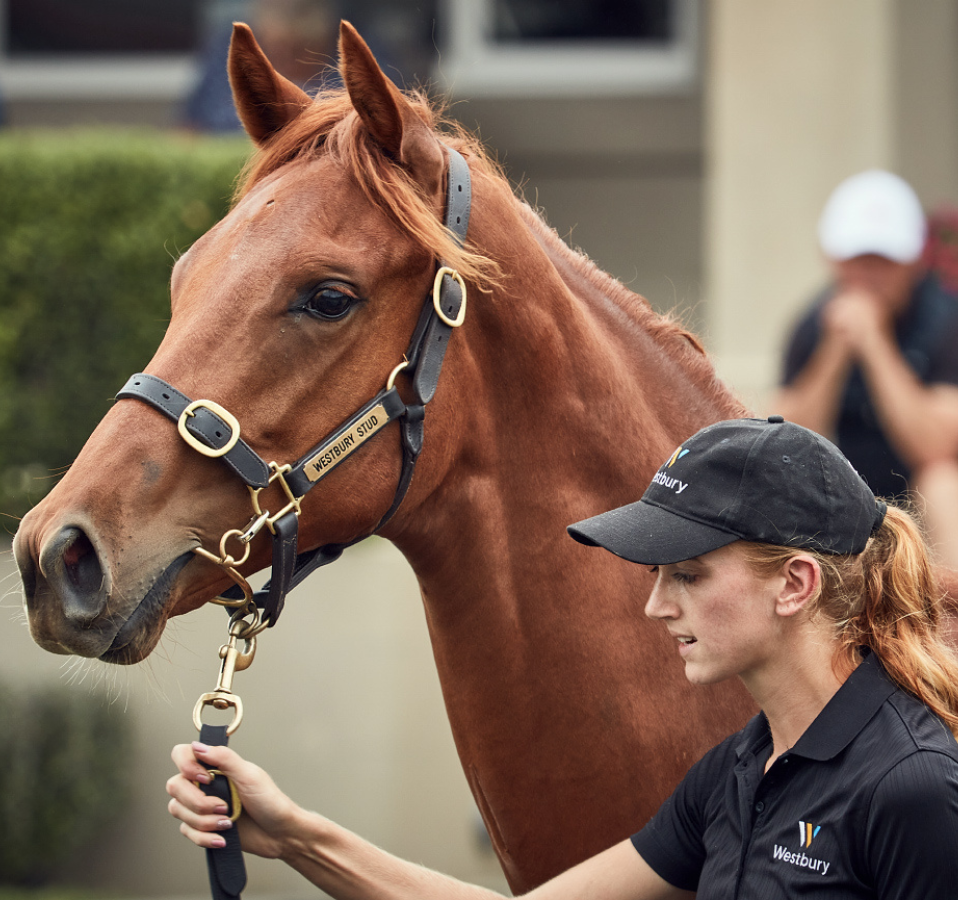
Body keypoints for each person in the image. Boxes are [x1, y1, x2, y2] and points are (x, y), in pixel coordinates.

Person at [167, 416, 958, 898]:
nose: (656, 606)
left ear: (795, 584)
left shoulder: (914, 787)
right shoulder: (737, 773)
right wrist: (296, 836)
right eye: (656, 577)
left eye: (687, 575)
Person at [774, 169, 958, 569]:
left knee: (942, 483)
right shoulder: (812, 326)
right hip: (845, 496)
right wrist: (835, 350)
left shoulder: (946, 321)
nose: (870, 276)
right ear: (834, 259)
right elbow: (786, 445)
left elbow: (936, 447)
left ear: (914, 261)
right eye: (858, 260)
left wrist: (875, 345)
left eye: (884, 261)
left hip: (921, 502)